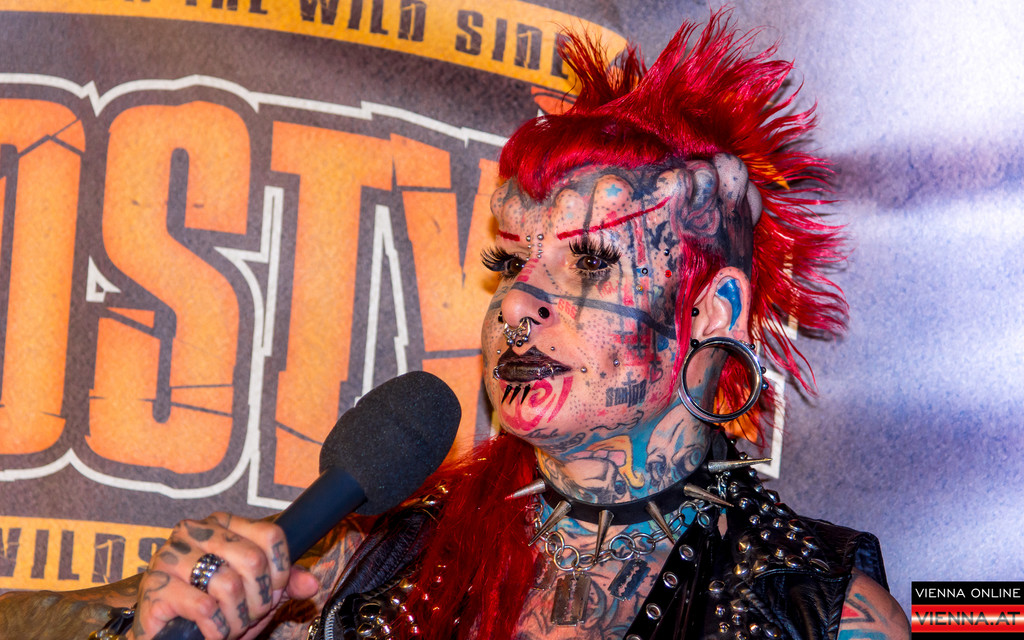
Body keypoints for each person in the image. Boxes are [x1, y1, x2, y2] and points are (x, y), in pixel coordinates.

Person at [0, 13, 909, 640]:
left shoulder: (817, 607)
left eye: (589, 262)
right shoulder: (377, 568)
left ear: (711, 311)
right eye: (512, 264)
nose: (516, 302)